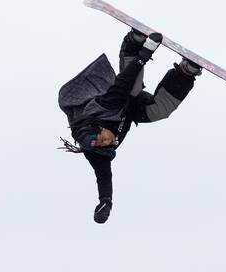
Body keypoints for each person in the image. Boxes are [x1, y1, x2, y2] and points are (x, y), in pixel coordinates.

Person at [58, 29, 202, 224]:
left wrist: (146, 50)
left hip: (115, 93)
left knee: (132, 86)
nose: (109, 141)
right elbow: (103, 177)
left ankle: (132, 43)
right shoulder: (97, 151)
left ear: (98, 127)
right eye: (105, 144)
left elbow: (123, 82)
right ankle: (185, 72)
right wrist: (105, 202)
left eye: (103, 139)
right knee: (159, 111)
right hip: (130, 110)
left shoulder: (102, 107)